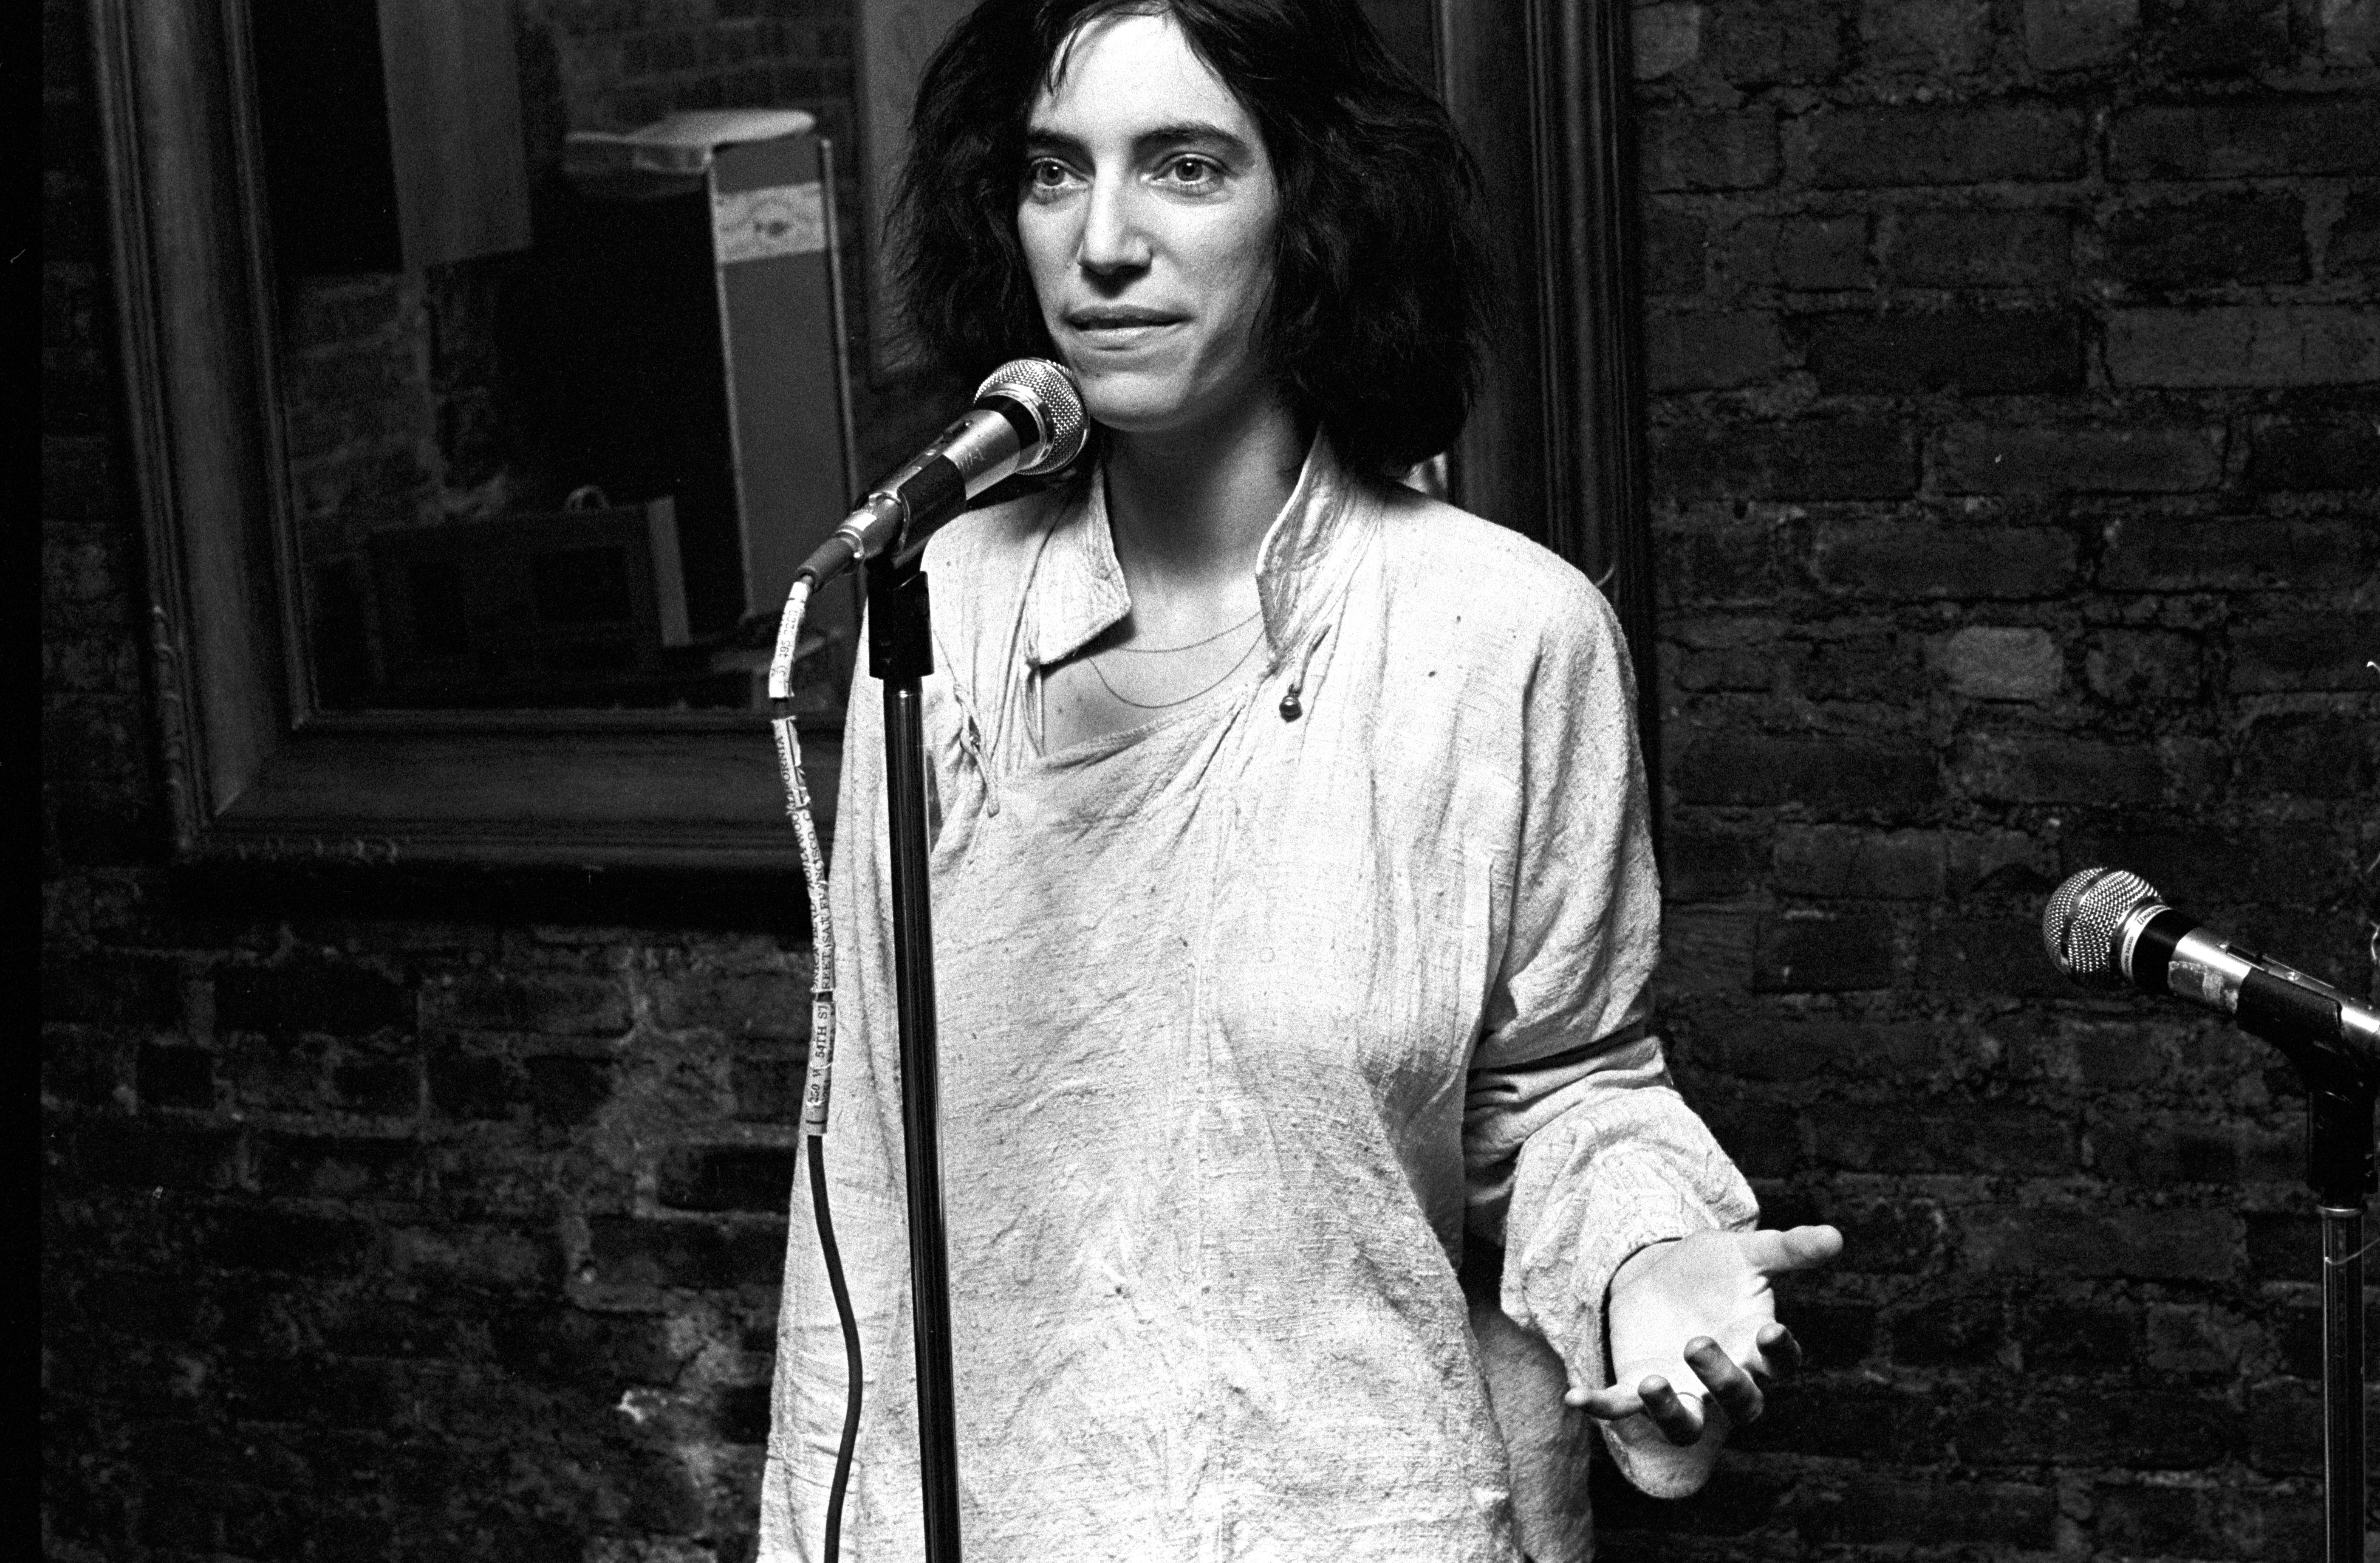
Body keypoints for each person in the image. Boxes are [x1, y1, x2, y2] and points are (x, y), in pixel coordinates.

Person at [759, 2, 1841, 1558]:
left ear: (1311, 215)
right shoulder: (936, 616)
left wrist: (1646, 1264)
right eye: (1055, 173)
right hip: (980, 1507)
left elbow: (1564, 1093)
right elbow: (860, 1172)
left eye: (1186, 167)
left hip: (1352, 1503)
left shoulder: (1502, 638)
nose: (1103, 243)